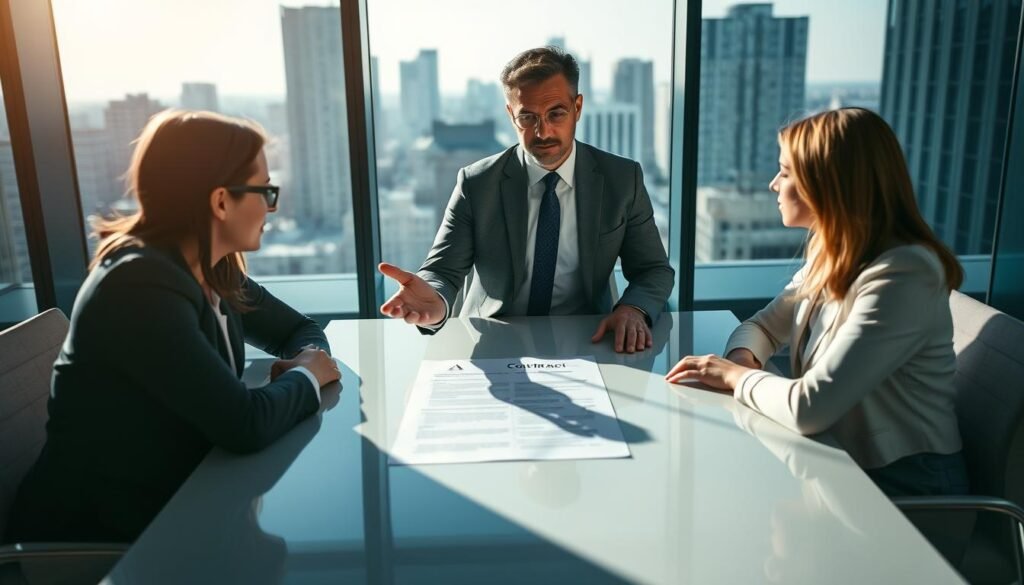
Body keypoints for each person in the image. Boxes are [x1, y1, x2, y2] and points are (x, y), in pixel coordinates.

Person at [4, 110, 341, 544]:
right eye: (265, 191)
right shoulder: (139, 286)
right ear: (221, 201)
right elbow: (244, 425)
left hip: (177, 500)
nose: (271, 207)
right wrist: (306, 376)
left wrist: (303, 361)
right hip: (100, 538)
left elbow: (298, 329)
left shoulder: (213, 268)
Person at [665, 107, 967, 496]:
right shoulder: (833, 257)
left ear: (829, 184)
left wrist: (733, 376)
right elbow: (760, 326)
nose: (774, 184)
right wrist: (742, 359)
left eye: (786, 172)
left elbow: (810, 407)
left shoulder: (904, 274)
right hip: (841, 466)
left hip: (905, 490)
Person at [377, 46, 674, 354]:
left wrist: (633, 308)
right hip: (491, 338)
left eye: (556, 114)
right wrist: (435, 302)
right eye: (527, 117)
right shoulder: (477, 183)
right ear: (510, 115)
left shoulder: (622, 179)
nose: (542, 131)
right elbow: (443, 270)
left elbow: (653, 269)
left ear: (578, 107)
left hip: (589, 338)